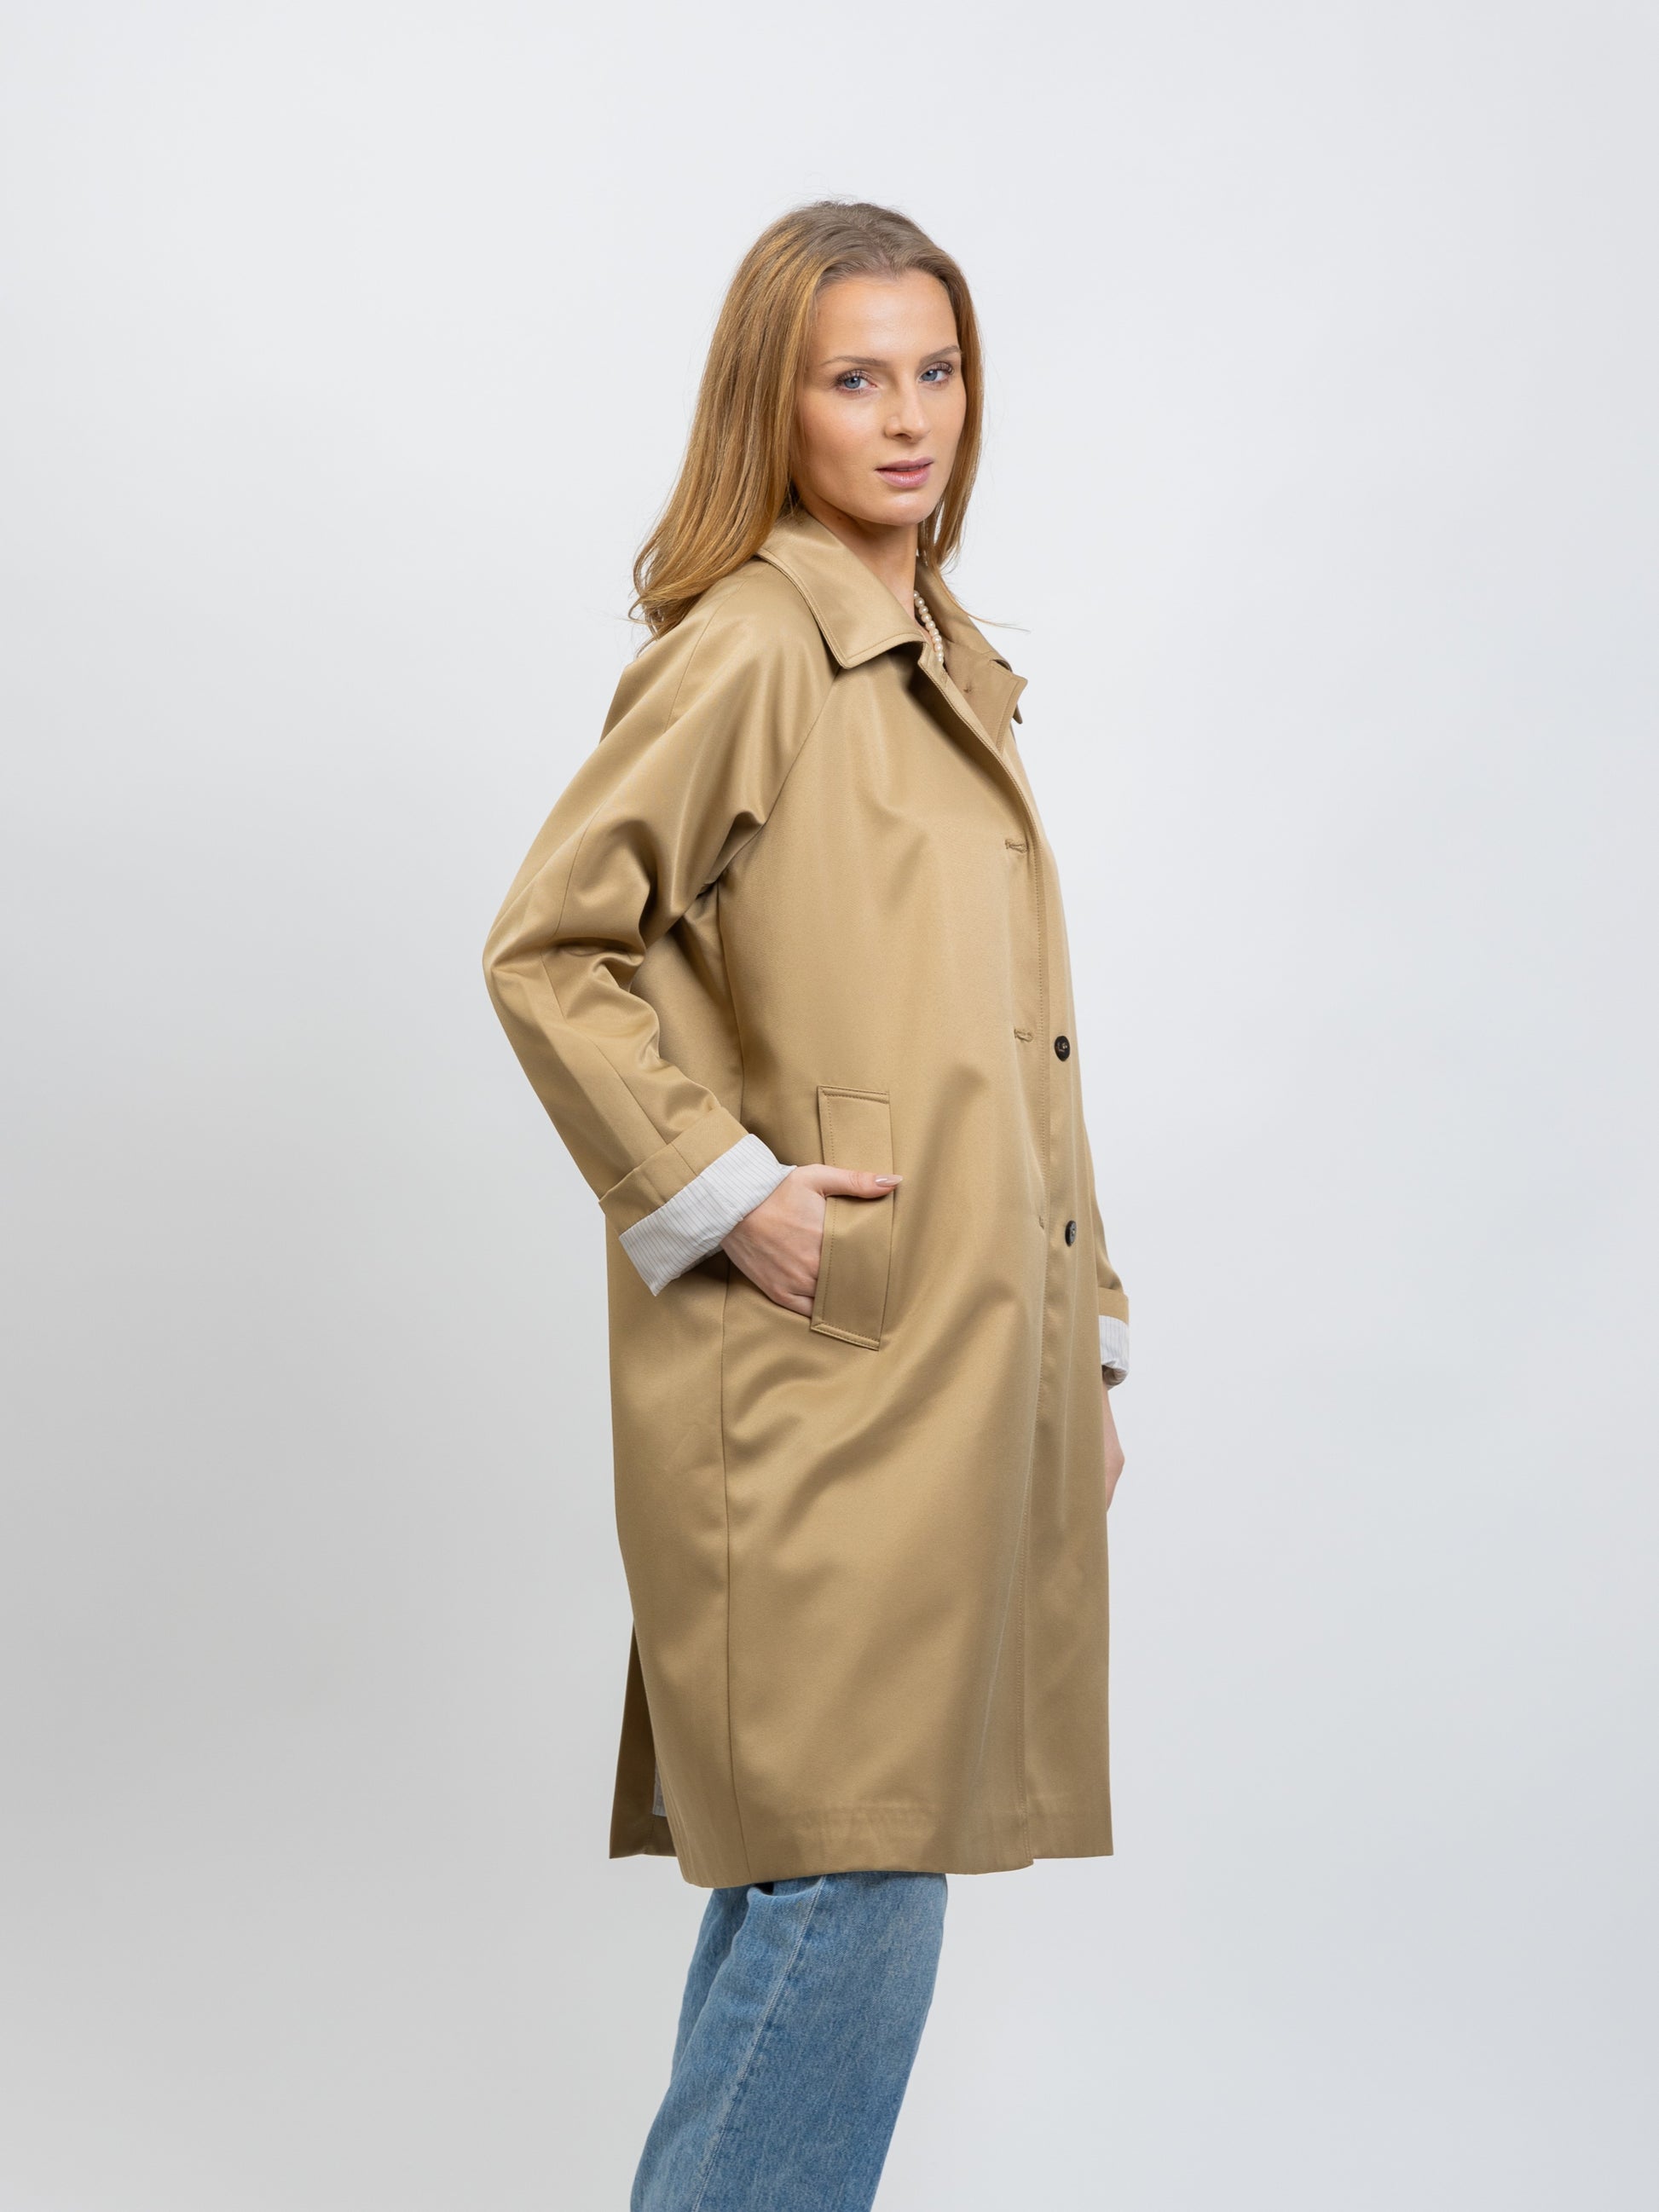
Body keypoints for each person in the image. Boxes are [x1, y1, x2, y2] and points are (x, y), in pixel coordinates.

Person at [483, 198, 1130, 2212]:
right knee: (851, 1871)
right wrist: (728, 1191)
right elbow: (551, 948)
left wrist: (1082, 1346)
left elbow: (1015, 1046)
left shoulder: (947, 663)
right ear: (774, 404)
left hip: (958, 1359)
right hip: (819, 1374)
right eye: (856, 377)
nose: (909, 417)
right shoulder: (758, 646)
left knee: (828, 1885)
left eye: (937, 370)